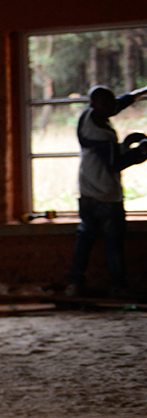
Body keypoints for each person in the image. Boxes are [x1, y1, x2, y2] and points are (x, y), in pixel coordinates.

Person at [67, 84, 147, 298]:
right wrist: (140, 152)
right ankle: (118, 286)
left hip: (87, 192)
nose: (113, 107)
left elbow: (116, 105)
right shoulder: (101, 134)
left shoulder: (88, 117)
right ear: (96, 105)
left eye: (112, 103)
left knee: (85, 239)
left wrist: (138, 94)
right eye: (108, 105)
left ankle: (75, 282)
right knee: (114, 242)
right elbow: (115, 164)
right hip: (106, 195)